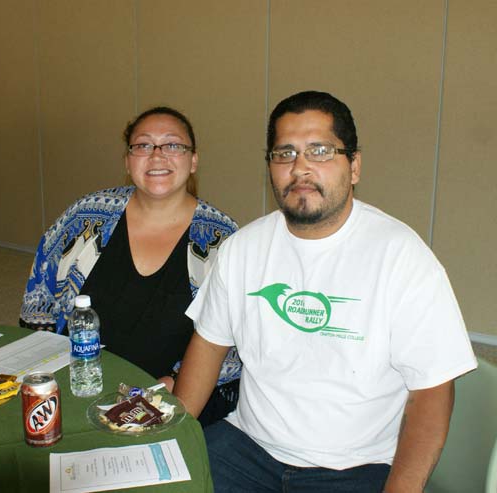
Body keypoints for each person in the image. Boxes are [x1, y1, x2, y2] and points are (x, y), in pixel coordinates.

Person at [174, 91, 477, 492]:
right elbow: (209, 345)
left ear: (353, 166)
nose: (300, 167)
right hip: (245, 447)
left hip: (354, 467)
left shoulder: (401, 256)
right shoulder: (243, 249)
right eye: (284, 154)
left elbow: (432, 391)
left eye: (319, 151)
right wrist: (172, 435)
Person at [20, 106, 241, 426]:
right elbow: (38, 300)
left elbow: (235, 344)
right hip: (78, 384)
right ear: (127, 160)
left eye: (173, 145)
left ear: (193, 160)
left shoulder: (221, 239)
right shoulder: (86, 216)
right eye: (143, 145)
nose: (157, 155)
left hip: (167, 399)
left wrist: (179, 385)